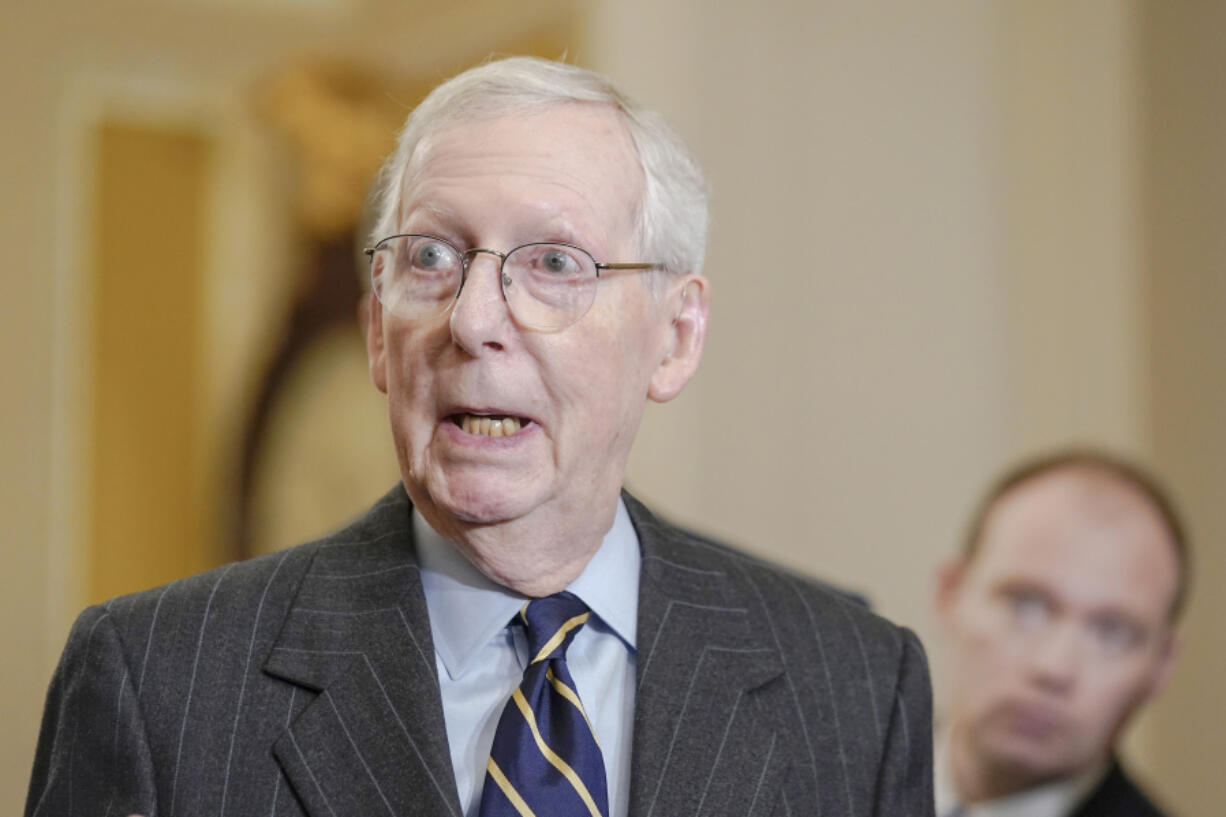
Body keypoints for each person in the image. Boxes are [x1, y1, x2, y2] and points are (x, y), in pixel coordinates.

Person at [26, 57, 933, 817]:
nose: (474, 319)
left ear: (675, 336)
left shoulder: (854, 684)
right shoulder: (158, 683)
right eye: (432, 258)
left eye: (553, 264)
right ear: (378, 330)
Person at [934, 450, 1188, 817]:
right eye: (1025, 605)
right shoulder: (831, 771)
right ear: (950, 594)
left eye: (1112, 633)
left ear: (1161, 667)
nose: (1053, 668)